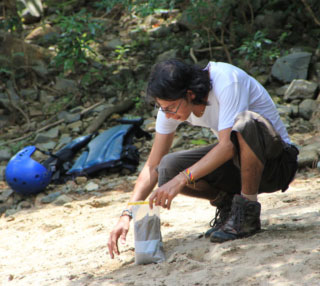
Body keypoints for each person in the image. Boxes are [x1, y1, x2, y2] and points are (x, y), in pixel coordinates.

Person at [107, 58, 299, 258]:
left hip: (278, 165)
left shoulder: (226, 80)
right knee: (167, 167)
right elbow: (152, 164)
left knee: (245, 124)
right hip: (240, 166)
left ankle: (247, 212)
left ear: (190, 94)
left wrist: (182, 179)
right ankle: (229, 206)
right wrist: (127, 214)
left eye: (171, 107)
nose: (167, 114)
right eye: (161, 107)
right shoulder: (170, 107)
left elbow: (227, 146)